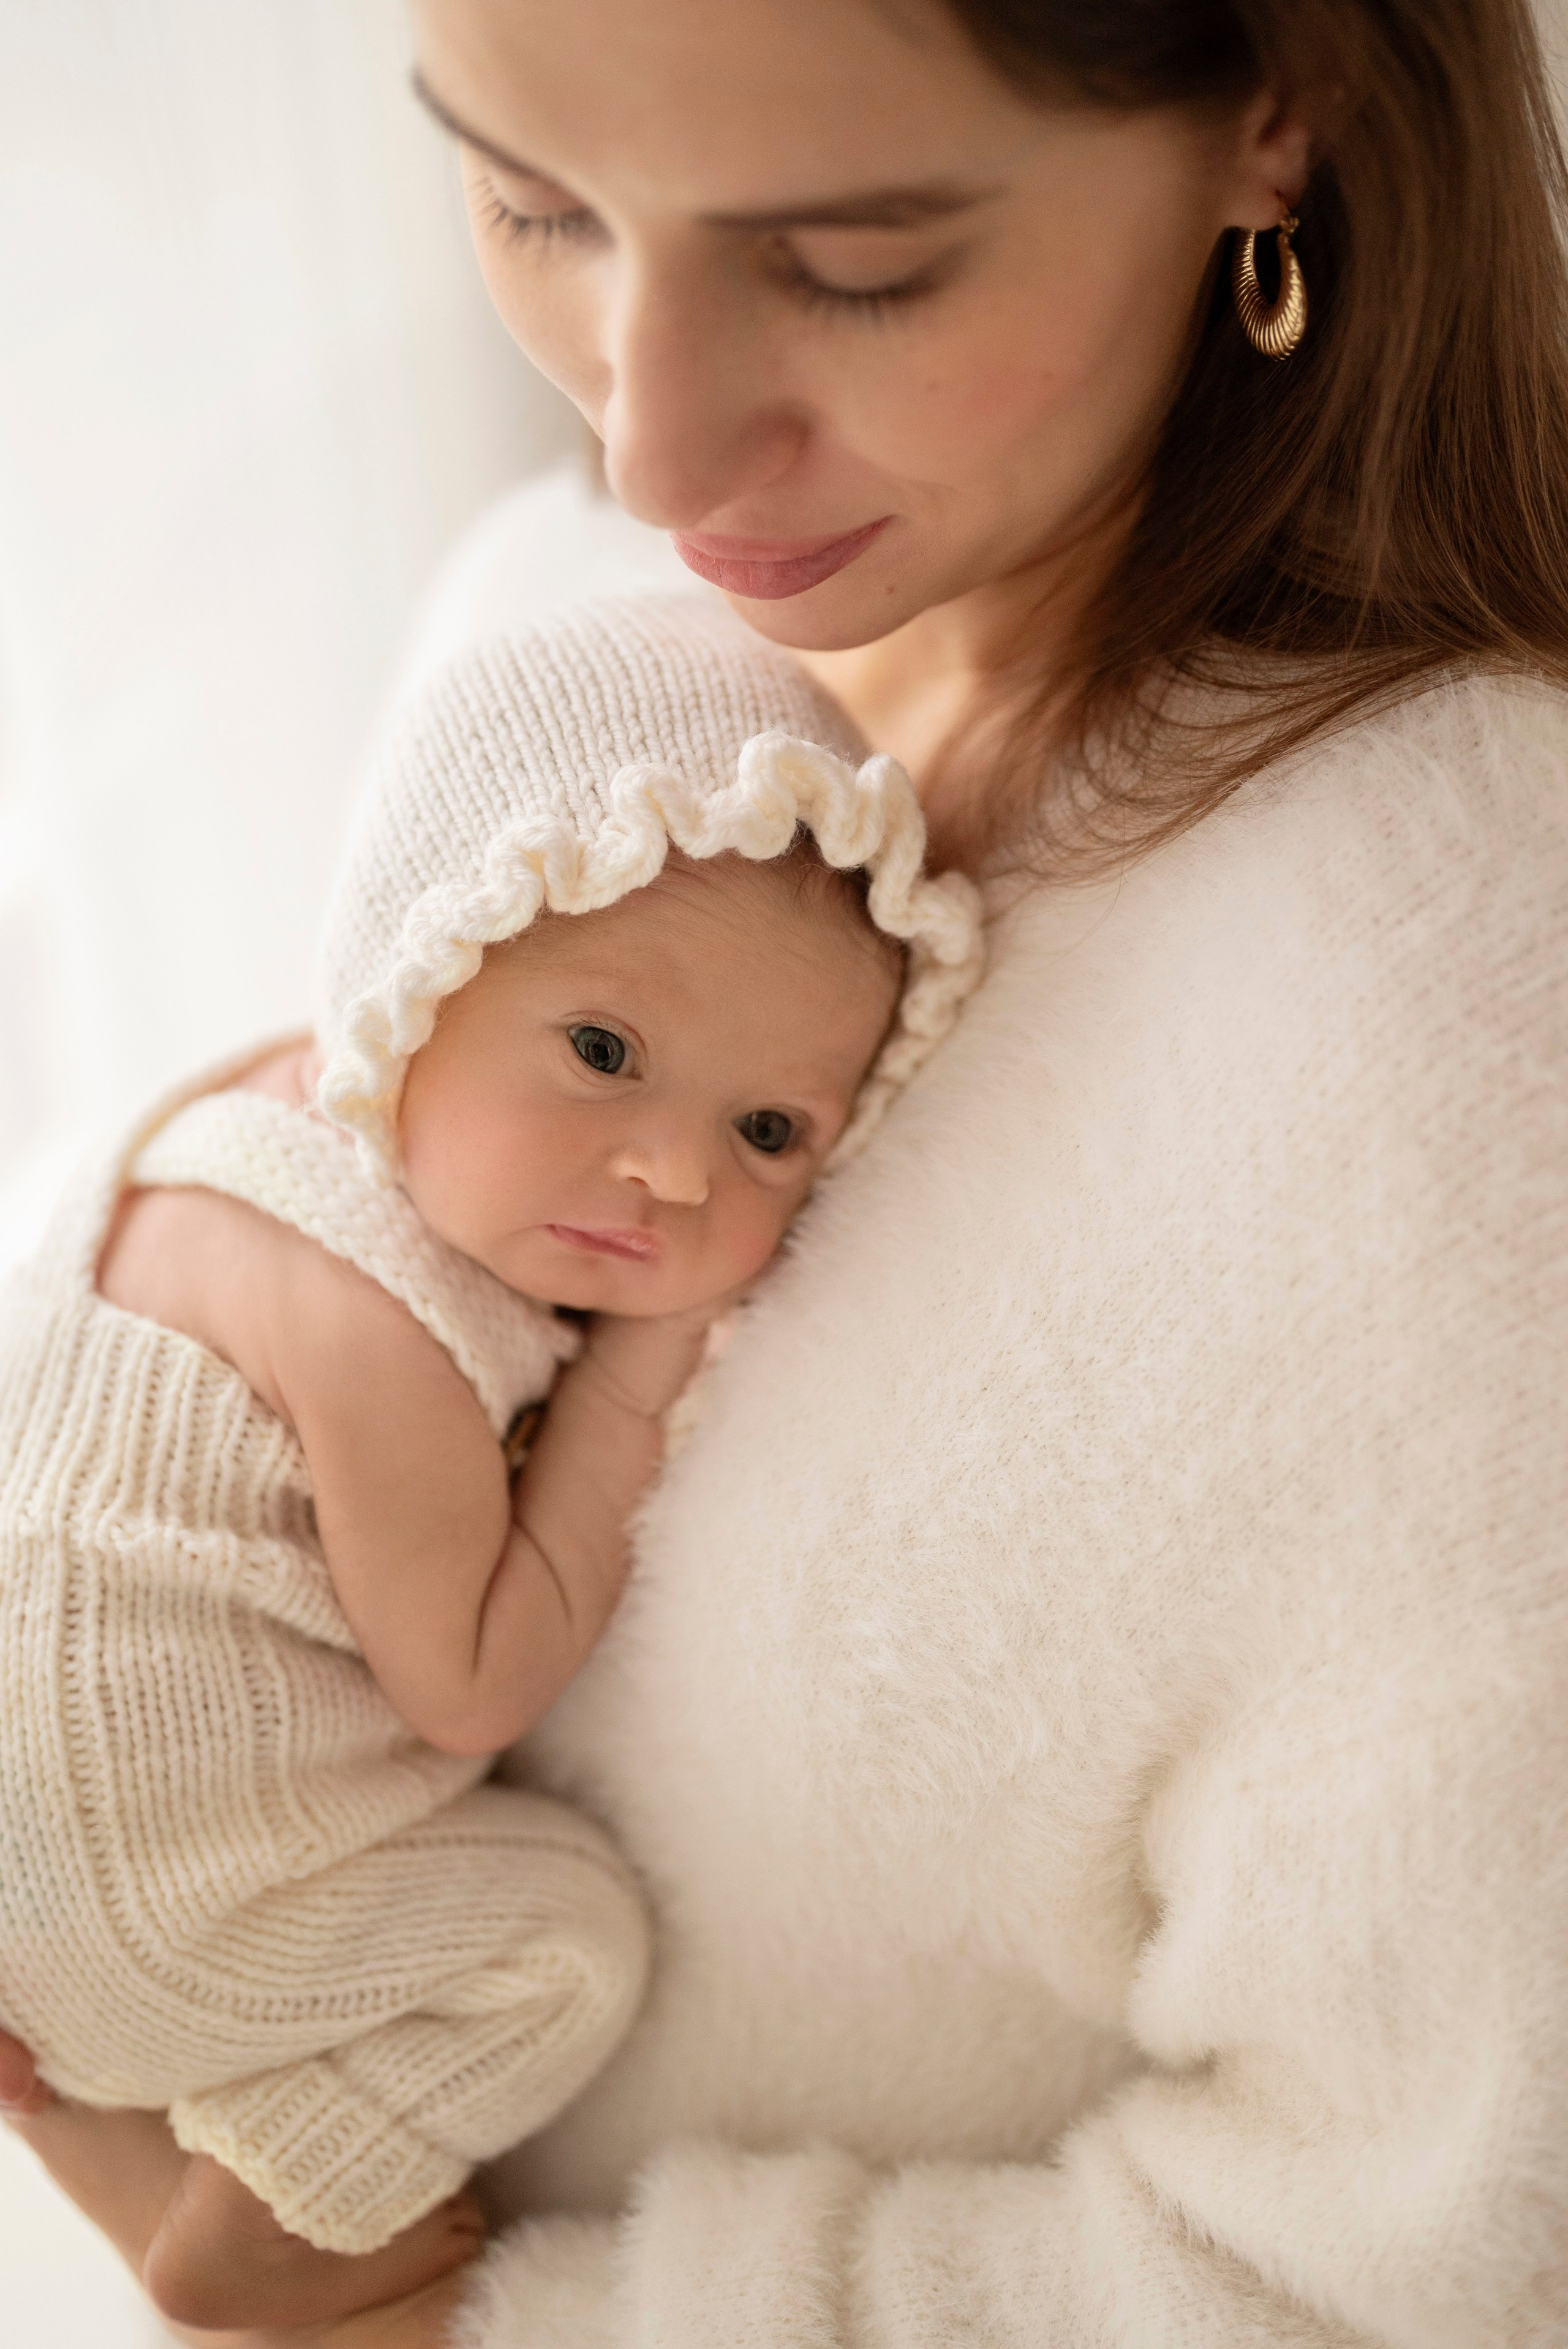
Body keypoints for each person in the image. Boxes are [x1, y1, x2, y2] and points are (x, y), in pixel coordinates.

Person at [5, 0, 1566, 2342]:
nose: (642, 444)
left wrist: (428, 2326)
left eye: (852, 262)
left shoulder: (1461, 1009)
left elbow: (1421, 2275)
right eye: (531, 196)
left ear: (1286, 105)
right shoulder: (565, 643)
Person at [0, 596, 977, 2335]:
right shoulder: (379, 1327)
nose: (674, 1176)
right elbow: (468, 1681)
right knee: (570, 1935)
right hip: (146, 1906)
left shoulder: (222, 1122)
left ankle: (81, 2091)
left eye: (771, 1132)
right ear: (420, 983)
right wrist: (627, 1394)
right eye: (604, 1054)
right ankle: (266, 2198)